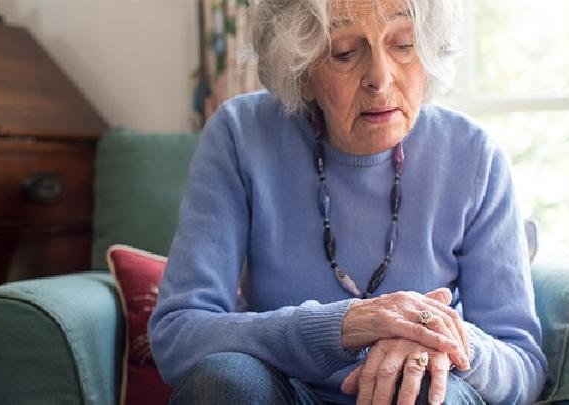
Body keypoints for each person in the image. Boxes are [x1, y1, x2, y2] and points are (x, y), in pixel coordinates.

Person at [149, 0, 547, 403]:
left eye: (404, 44)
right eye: (344, 52)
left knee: (427, 390)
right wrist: (342, 325)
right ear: (301, 70)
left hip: (414, 390)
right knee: (222, 382)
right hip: (283, 392)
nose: (380, 77)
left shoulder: (474, 156)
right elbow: (178, 335)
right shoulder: (241, 136)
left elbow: (523, 364)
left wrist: (442, 340)